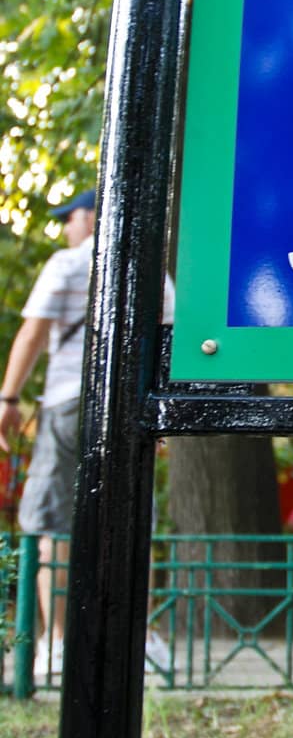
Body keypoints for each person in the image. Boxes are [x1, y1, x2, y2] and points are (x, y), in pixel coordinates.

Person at [0, 188, 172, 678]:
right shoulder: (151, 269)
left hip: (67, 400)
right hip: (130, 405)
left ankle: (56, 645)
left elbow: (33, 333)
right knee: (133, 516)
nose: (66, 228)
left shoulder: (67, 263)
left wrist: (8, 399)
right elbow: (166, 340)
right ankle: (136, 642)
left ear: (94, 218)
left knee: (54, 519)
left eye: (70, 218)